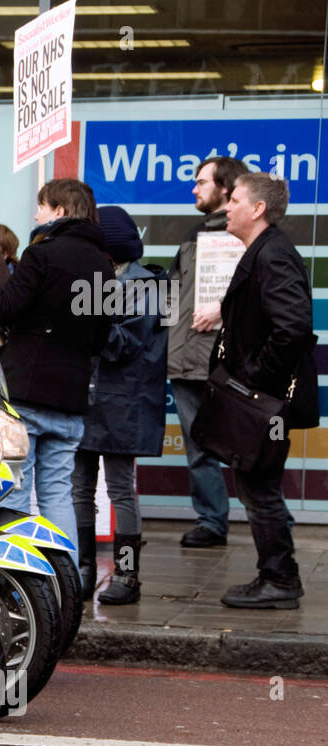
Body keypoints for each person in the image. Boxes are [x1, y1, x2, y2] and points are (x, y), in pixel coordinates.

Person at [0, 178, 115, 548]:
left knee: (17, 494)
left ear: (60, 211)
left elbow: (4, 307)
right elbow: (101, 338)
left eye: (41, 206)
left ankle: (23, 586)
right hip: (71, 400)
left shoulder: (43, 254)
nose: (35, 214)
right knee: (57, 495)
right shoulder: (103, 266)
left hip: (27, 394)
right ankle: (63, 584)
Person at [208, 173, 318, 609]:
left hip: (266, 403)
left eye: (234, 200)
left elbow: (293, 330)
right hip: (261, 400)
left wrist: (253, 378)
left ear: (257, 209)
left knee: (260, 488)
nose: (226, 207)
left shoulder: (273, 255)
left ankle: (280, 578)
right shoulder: (264, 251)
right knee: (257, 486)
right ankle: (275, 574)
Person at [72, 206, 168, 605]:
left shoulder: (151, 286)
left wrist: (84, 321)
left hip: (124, 403)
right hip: (85, 397)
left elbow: (124, 346)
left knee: (120, 491)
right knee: (79, 490)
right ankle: (83, 569)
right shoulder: (100, 281)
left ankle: (128, 575)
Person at [169, 156, 247, 549]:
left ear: (225, 188)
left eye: (202, 182)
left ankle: (271, 520)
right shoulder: (191, 234)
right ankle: (212, 521)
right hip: (186, 361)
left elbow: (268, 296)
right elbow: (173, 294)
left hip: (230, 362)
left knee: (248, 445)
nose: (194, 189)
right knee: (198, 447)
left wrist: (224, 309)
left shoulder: (252, 237)